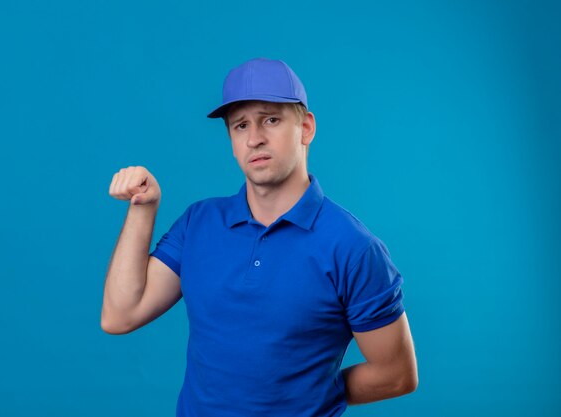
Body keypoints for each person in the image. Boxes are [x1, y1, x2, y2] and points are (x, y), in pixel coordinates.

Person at [101, 58, 418, 416]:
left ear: (306, 128)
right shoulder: (198, 223)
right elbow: (120, 315)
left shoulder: (354, 248)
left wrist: (312, 393)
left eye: (271, 119)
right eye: (240, 125)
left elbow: (396, 375)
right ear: (232, 141)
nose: (254, 138)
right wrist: (144, 209)